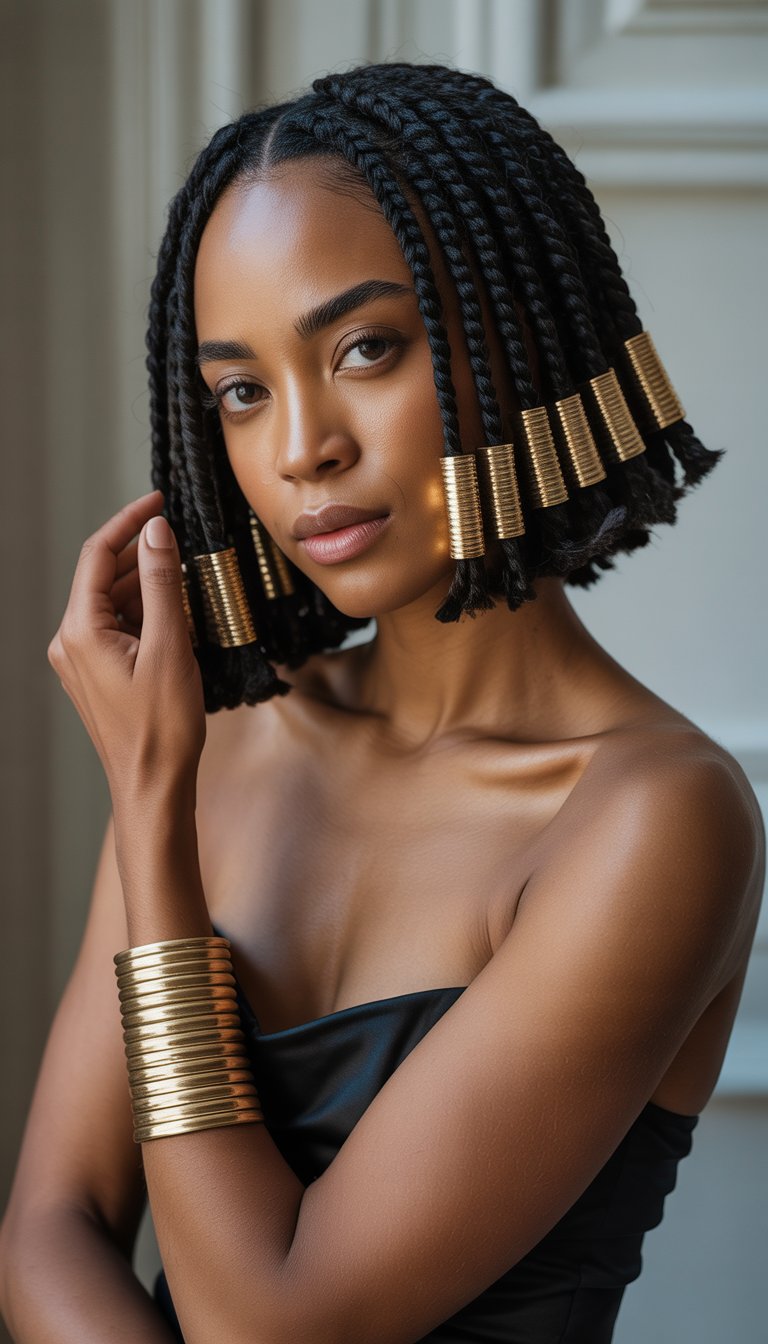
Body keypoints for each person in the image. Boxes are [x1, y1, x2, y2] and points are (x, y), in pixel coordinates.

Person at [0, 61, 763, 1344]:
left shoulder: (655, 822)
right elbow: (50, 1227)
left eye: (365, 348)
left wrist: (149, 817)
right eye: (242, 390)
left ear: (519, 340)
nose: (304, 447)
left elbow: (275, 1328)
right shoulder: (225, 742)